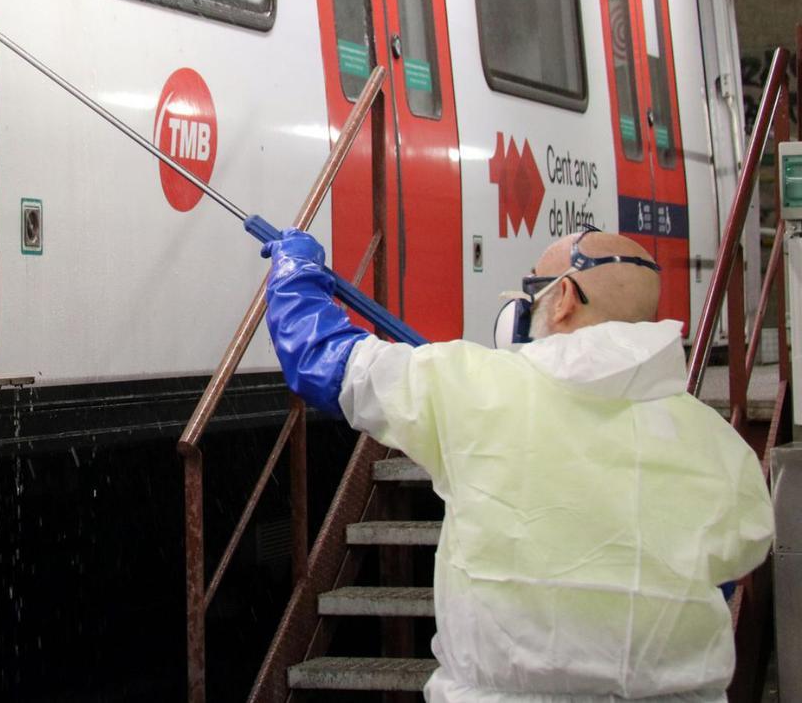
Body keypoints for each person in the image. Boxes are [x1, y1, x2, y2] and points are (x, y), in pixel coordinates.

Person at [261, 225, 774, 703]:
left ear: (565, 297)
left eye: (532, 289)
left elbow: (325, 363)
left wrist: (295, 274)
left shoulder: (471, 386)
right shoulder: (717, 444)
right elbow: (728, 571)